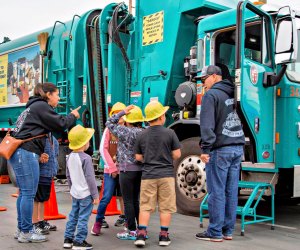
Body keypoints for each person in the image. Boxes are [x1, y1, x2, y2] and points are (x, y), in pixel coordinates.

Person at [9, 82, 80, 243]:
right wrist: (73, 116)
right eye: (56, 94)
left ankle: (22, 229)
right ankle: (26, 232)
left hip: (21, 152)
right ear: (48, 94)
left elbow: (35, 131)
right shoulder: (41, 106)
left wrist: (41, 152)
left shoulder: (32, 106)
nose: (58, 98)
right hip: (26, 153)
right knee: (28, 193)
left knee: (24, 192)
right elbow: (61, 124)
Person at [195, 65, 245, 242]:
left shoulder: (211, 95)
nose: (203, 84)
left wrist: (205, 149)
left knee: (216, 191)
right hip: (237, 147)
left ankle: (215, 232)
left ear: (215, 77)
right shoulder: (236, 92)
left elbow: (207, 125)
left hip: (220, 148)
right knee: (231, 191)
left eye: (204, 79)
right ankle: (228, 230)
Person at [134, 100, 181, 247]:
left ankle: (141, 234)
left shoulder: (141, 135)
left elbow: (138, 157)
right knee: (165, 207)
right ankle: (163, 236)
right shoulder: (170, 133)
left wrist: (148, 158)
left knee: (146, 206)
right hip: (166, 175)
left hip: (148, 175)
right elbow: (177, 154)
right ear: (161, 117)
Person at [106, 105, 144, 240]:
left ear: (128, 120)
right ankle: (141, 229)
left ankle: (131, 230)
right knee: (136, 200)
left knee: (127, 201)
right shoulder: (143, 132)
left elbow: (108, 122)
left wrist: (122, 112)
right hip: (140, 170)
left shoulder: (123, 131)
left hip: (126, 170)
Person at [91, 102, 127, 236]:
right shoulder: (109, 130)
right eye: (117, 114)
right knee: (106, 197)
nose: (121, 118)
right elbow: (103, 149)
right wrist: (112, 168)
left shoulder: (128, 128)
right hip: (110, 171)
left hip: (125, 170)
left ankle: (127, 220)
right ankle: (98, 221)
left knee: (125, 197)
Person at [63, 125, 99, 250]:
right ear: (84, 143)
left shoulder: (69, 157)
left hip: (75, 193)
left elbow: (68, 176)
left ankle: (68, 239)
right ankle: (79, 241)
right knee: (83, 217)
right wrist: (95, 195)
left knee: (73, 215)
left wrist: (71, 189)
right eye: (88, 140)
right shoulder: (86, 158)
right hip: (86, 194)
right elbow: (90, 178)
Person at [32, 136, 59, 235]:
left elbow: (55, 155)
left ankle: (41, 220)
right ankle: (34, 223)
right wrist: (39, 158)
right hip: (40, 172)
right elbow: (33, 155)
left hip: (48, 173)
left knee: (43, 198)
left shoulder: (53, 138)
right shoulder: (39, 138)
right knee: (36, 198)